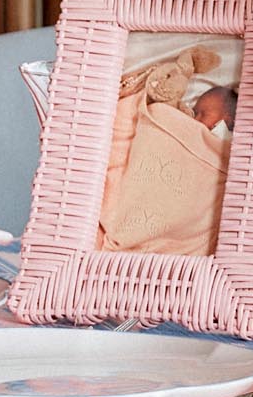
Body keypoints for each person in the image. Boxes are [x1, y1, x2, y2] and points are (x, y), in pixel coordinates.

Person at [98, 45, 237, 255]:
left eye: (203, 113)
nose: (194, 118)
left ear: (229, 121)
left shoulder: (229, 150)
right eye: (195, 111)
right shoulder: (183, 123)